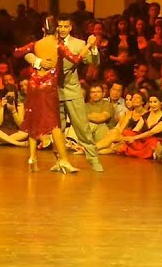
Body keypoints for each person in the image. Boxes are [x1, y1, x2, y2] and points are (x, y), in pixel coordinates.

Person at [19, 14, 103, 172]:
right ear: (55, 27)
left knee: (82, 128)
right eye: (60, 26)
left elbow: (93, 62)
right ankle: (60, 161)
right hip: (52, 91)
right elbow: (28, 52)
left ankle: (94, 160)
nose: (63, 29)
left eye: (66, 26)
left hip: (72, 91)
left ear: (71, 27)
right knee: (57, 128)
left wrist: (93, 47)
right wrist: (38, 62)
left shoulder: (78, 43)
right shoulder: (49, 42)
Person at [14, 16, 77, 174]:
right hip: (48, 88)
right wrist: (89, 45)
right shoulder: (58, 44)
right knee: (55, 124)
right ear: (56, 29)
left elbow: (17, 53)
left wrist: (36, 59)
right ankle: (63, 160)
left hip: (34, 85)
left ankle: (32, 158)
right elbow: (75, 58)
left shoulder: (35, 44)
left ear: (43, 30)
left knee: (33, 120)